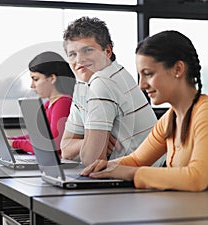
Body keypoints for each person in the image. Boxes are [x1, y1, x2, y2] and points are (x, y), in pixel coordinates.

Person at [81, 30, 208, 192]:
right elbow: (136, 160)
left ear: (177, 69)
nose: (142, 85)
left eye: (148, 74)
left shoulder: (204, 114)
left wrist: (132, 173)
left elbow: (197, 179)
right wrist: (106, 167)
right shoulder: (170, 119)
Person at [60, 16, 158, 166]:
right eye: (72, 54)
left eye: (87, 50)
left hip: (145, 176)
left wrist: (91, 144)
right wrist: (90, 141)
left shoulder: (104, 81)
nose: (79, 60)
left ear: (107, 51)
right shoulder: (83, 84)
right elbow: (65, 149)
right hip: (124, 172)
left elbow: (91, 160)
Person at [8, 51, 76, 154]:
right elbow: (38, 137)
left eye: (35, 79)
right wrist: (12, 139)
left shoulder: (63, 103)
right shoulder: (48, 104)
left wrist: (15, 143)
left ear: (52, 78)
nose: (32, 85)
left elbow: (52, 145)